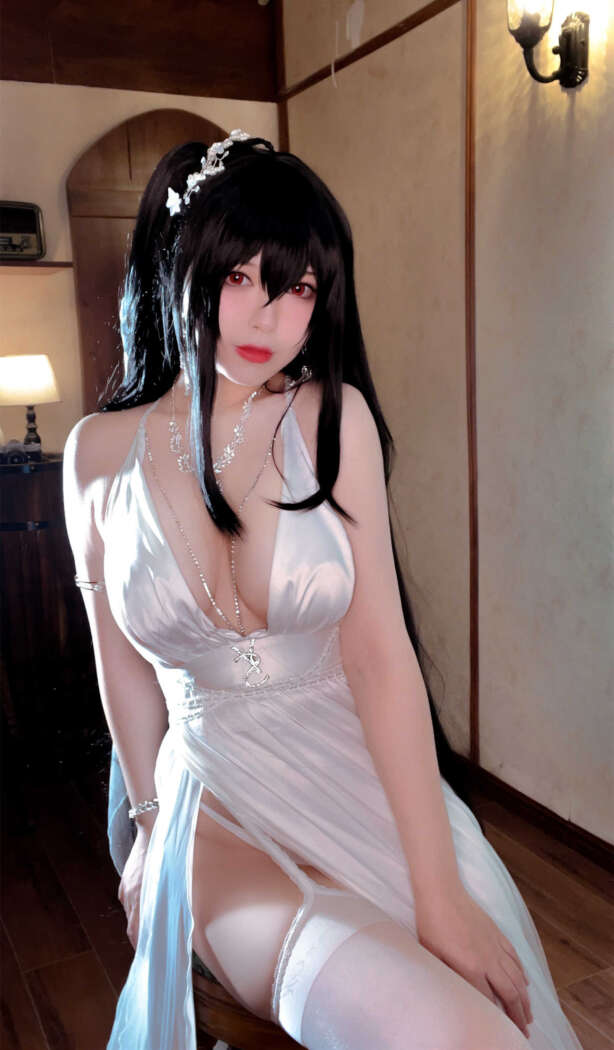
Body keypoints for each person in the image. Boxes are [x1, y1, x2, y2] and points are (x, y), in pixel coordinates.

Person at [63, 132, 584, 1050]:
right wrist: (146, 830)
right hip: (214, 802)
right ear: (184, 263)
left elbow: (379, 658)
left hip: (360, 772)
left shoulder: (330, 418)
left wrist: (438, 894)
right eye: (240, 277)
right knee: (439, 1031)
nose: (267, 316)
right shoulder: (96, 453)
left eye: (298, 288)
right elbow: (124, 672)